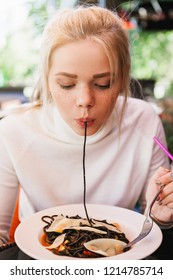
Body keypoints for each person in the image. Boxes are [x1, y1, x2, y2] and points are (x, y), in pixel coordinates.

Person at [0, 5, 173, 251]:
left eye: (103, 84)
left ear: (123, 79)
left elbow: (149, 225)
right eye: (67, 84)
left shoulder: (144, 121)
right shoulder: (13, 131)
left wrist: (161, 215)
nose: (85, 100)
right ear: (48, 80)